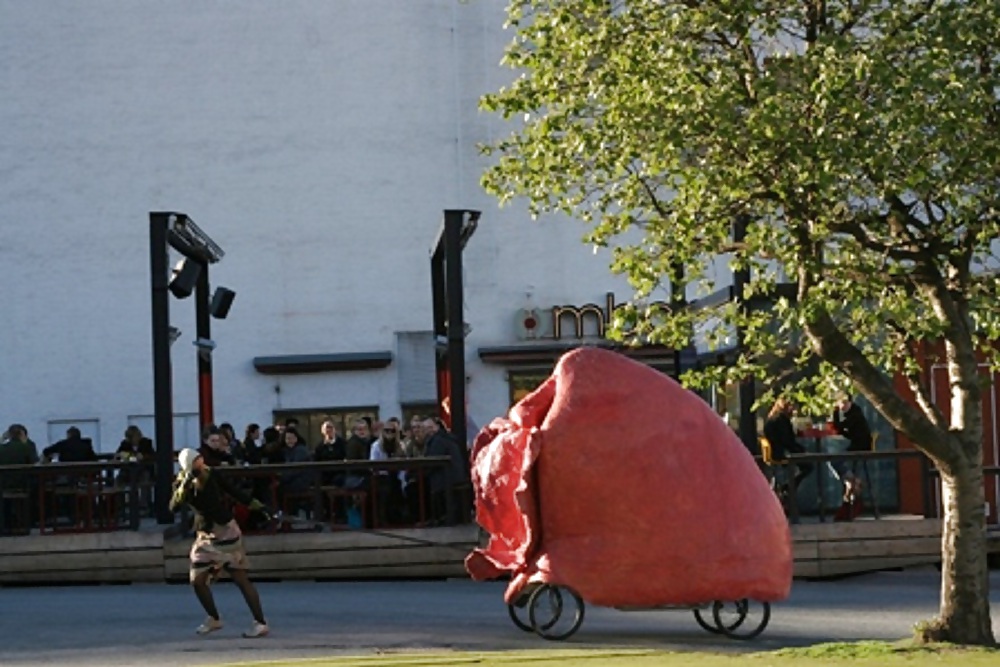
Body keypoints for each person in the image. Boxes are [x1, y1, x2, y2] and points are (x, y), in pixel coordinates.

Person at [169, 448, 270, 638]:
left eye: (201, 459)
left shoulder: (213, 474)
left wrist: (259, 506)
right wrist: (186, 483)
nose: (201, 463)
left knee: (239, 576)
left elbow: (235, 492)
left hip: (225, 531)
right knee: (197, 580)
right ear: (189, 465)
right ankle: (214, 618)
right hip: (205, 535)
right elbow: (173, 506)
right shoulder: (182, 482)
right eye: (197, 461)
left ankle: (260, 622)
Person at [831, 395, 873, 517]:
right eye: (840, 403)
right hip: (857, 446)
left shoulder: (854, 414)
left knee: (834, 461)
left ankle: (851, 480)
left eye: (844, 403)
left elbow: (839, 427)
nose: (842, 406)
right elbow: (843, 431)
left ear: (850, 403)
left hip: (860, 447)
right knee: (838, 461)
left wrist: (835, 412)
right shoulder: (854, 413)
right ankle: (851, 481)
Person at [762, 398, 813, 496]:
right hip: (781, 452)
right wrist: (802, 450)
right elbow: (788, 441)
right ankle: (788, 487)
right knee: (808, 466)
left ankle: (788, 487)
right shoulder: (781, 420)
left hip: (775, 451)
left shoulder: (771, 418)